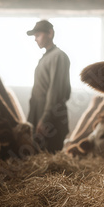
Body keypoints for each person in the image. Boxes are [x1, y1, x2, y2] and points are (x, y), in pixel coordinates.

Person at [26, 20, 71, 152]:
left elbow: (55, 90)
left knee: (49, 154)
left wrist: (45, 118)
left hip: (51, 115)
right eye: (34, 36)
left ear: (50, 33)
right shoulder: (45, 57)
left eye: (38, 35)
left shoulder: (58, 56)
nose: (35, 39)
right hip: (39, 111)